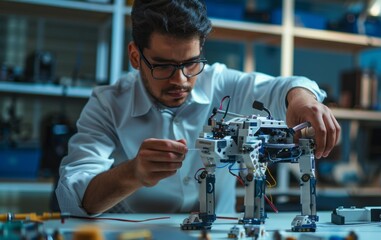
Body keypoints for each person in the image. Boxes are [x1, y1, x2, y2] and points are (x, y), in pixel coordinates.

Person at [56, 0, 341, 216]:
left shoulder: (221, 83)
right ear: (134, 55)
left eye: (191, 63)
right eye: (164, 65)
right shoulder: (107, 104)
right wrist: (133, 173)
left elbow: (287, 86)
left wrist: (304, 100)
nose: (179, 80)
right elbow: (73, 198)